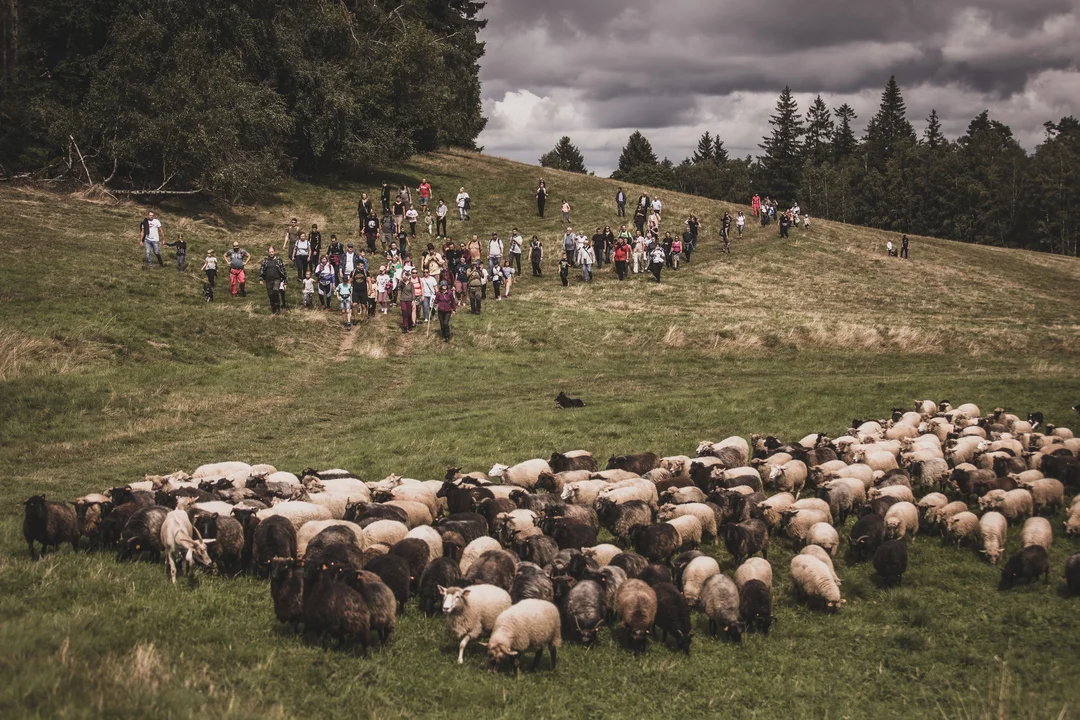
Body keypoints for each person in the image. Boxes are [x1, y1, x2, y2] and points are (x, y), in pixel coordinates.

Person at [259, 246, 288, 315]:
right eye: (270, 252)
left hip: (277, 279)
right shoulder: (265, 260)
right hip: (268, 280)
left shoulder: (278, 260)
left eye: (272, 252)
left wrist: (285, 281)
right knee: (270, 294)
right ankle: (273, 307)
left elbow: (284, 270)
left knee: (275, 291)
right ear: (268, 253)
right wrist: (261, 279)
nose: (271, 253)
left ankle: (278, 308)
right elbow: (261, 270)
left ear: (274, 252)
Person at [398, 268, 417, 333]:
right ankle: (404, 327)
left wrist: (413, 300)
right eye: (404, 275)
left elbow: (413, 292)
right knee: (404, 313)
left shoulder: (411, 284)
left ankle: (410, 324)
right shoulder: (401, 283)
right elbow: (399, 287)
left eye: (406, 275)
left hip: (409, 300)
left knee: (409, 313)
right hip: (403, 300)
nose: (405, 276)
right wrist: (401, 279)